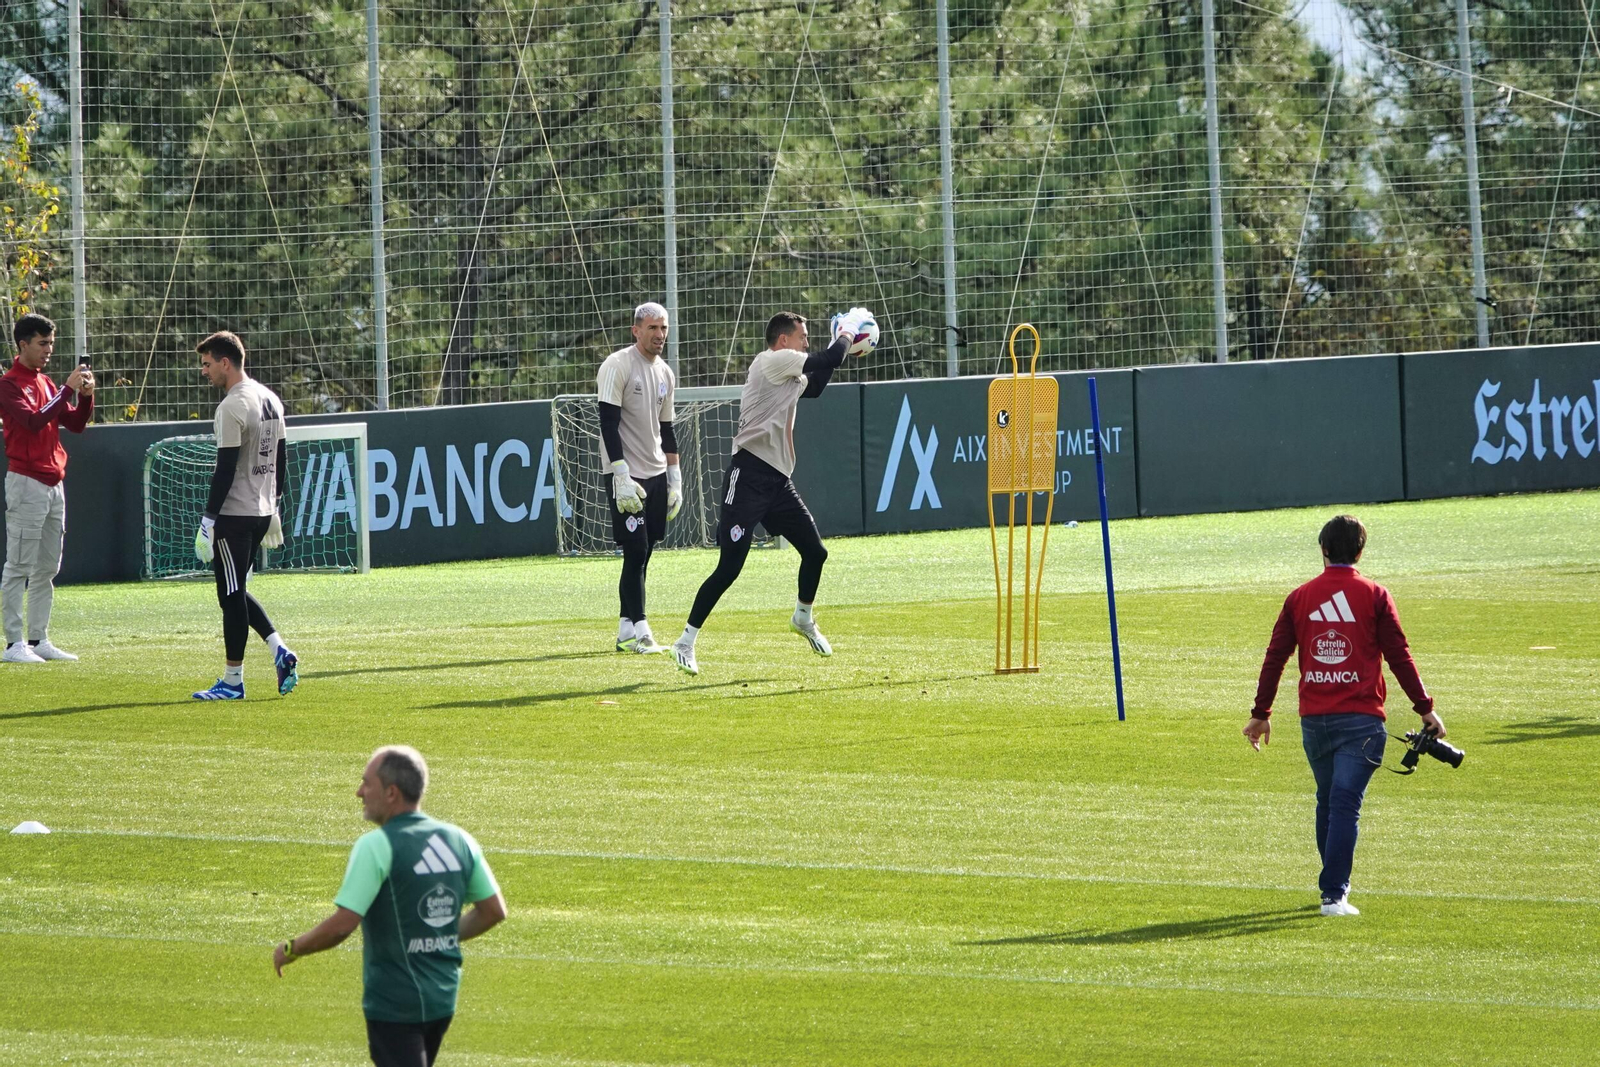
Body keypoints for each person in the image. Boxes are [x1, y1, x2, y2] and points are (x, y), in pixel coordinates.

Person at [1245, 514, 1446, 917]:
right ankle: (1334, 894)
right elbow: (1399, 655)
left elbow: (1275, 656)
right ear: (1360, 551)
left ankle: (1331, 887)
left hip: (1314, 721)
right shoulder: (1374, 594)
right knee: (1342, 804)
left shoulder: (1299, 597)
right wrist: (1425, 708)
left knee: (1330, 800)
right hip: (1361, 720)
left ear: (1323, 550)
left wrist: (1261, 712)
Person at [273, 745, 506, 1067]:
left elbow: (343, 925)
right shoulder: (459, 839)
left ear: (391, 792)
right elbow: (493, 911)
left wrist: (293, 947)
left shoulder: (376, 846)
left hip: (395, 1001)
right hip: (442, 997)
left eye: (366, 783)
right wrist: (441, 934)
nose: (359, 792)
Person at [670, 308, 873, 676]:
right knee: (729, 568)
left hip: (778, 481)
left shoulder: (788, 372)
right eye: (802, 337)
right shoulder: (773, 361)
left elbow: (820, 380)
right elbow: (827, 358)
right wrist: (846, 331)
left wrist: (838, 342)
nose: (806, 344)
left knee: (816, 552)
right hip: (747, 476)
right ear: (784, 341)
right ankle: (685, 641)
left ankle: (803, 617)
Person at [190, 331, 299, 699]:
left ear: (225, 362)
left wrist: (208, 519)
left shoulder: (232, 406)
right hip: (260, 511)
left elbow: (224, 468)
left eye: (207, 364)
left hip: (235, 514)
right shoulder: (270, 397)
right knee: (234, 592)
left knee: (231, 594)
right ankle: (278, 650)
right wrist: (275, 504)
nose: (204, 372)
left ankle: (233, 680)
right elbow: (280, 457)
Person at [0, 312, 93, 663]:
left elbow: (75, 423)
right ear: (23, 344)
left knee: (47, 567)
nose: (48, 350)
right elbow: (33, 422)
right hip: (26, 481)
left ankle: (38, 640)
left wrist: (84, 396)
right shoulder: (9, 384)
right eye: (43, 343)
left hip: (54, 482)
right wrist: (67, 388)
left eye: (51, 343)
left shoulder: (46, 383)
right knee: (19, 565)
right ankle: (13, 644)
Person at [597, 301, 680, 654]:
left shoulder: (665, 373)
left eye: (663, 328)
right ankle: (643, 630)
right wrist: (620, 474)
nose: (659, 335)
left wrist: (675, 477)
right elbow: (607, 423)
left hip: (657, 473)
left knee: (645, 554)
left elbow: (667, 428)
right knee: (636, 550)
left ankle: (624, 629)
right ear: (636, 330)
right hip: (627, 476)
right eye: (652, 328)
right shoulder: (617, 365)